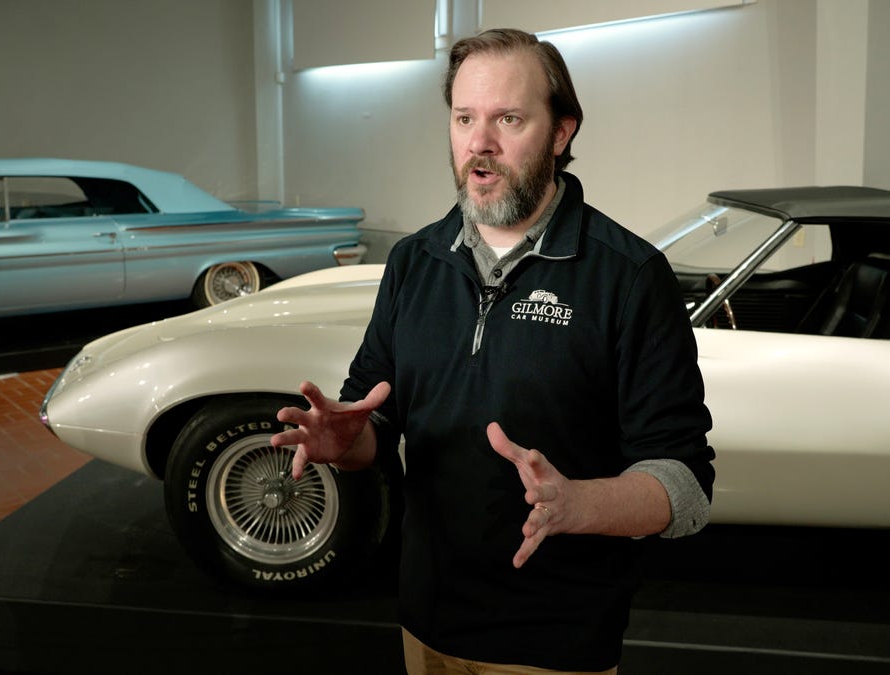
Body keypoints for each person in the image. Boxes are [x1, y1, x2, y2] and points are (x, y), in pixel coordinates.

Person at [271, 27, 715, 674]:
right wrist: (349, 443)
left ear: (561, 134)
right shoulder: (413, 261)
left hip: (555, 643)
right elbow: (377, 413)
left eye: (508, 118)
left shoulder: (628, 276)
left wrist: (579, 504)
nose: (480, 142)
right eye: (464, 118)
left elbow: (687, 486)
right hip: (426, 624)